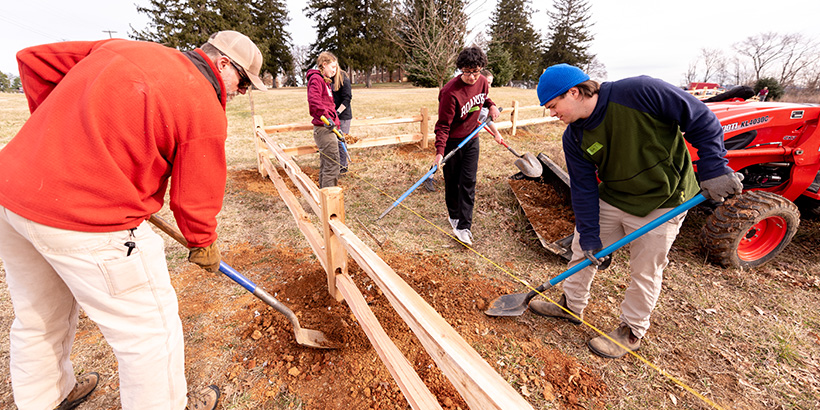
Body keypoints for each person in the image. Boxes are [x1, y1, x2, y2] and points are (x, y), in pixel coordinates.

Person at [0, 30, 267, 409]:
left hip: (12, 195)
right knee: (149, 334)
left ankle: (47, 397)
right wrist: (202, 243)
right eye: (243, 83)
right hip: (88, 219)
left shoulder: (126, 48)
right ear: (223, 63)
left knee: (38, 317)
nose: (241, 93)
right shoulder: (203, 106)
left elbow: (34, 60)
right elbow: (195, 199)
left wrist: (61, 139)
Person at [531, 64, 742, 359]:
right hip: (615, 196)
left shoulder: (639, 92)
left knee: (645, 270)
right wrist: (591, 235)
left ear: (574, 92)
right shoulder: (574, 137)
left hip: (665, 200)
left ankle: (631, 331)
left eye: (553, 106)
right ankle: (571, 305)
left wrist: (714, 169)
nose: (553, 114)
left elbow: (700, 118)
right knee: (582, 248)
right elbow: (583, 188)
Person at [434, 46, 501, 245]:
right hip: (453, 141)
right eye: (468, 72)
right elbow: (443, 126)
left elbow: (484, 97)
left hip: (472, 138)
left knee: (468, 182)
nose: (473, 77)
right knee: (453, 182)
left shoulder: (482, 81)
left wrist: (492, 105)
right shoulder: (449, 93)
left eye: (476, 71)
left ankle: (464, 226)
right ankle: (454, 215)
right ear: (461, 69)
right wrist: (439, 153)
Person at [306, 51, 342, 188]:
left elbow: (330, 107)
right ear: (324, 65)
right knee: (333, 164)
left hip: (329, 128)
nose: (335, 70)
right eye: (333, 67)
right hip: (323, 128)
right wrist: (327, 119)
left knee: (327, 163)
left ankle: (323, 197)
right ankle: (329, 200)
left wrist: (337, 126)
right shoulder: (316, 79)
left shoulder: (325, 82)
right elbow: (314, 102)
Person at [332, 67, 353, 174]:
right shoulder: (329, 79)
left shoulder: (344, 79)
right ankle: (337, 164)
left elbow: (347, 99)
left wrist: (338, 112)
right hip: (332, 115)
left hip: (343, 115)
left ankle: (343, 166)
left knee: (341, 141)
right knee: (333, 142)